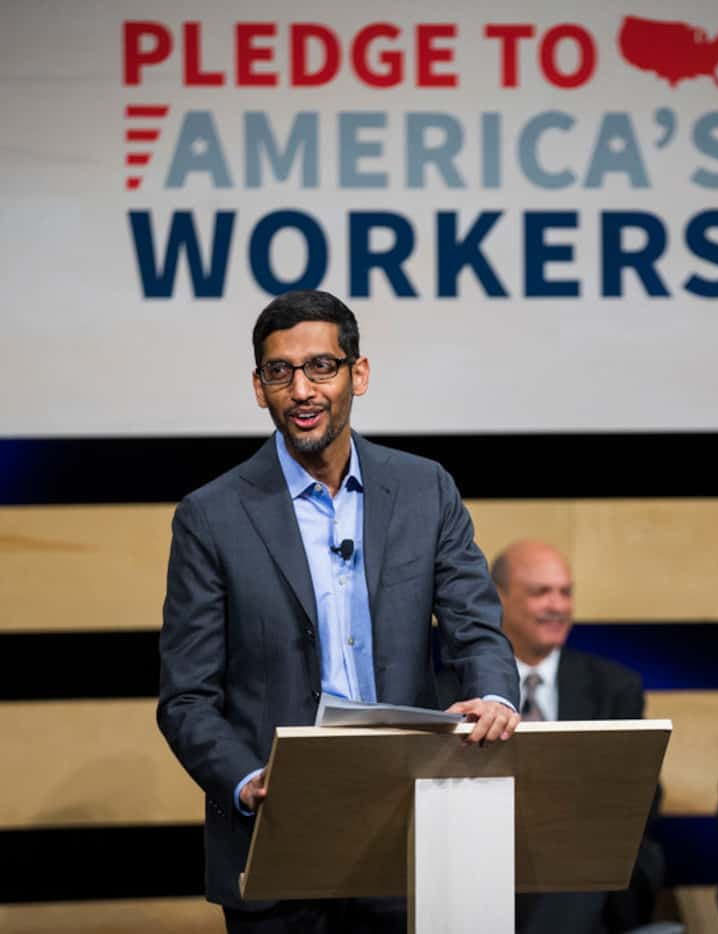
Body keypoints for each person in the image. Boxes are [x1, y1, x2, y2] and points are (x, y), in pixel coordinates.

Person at [157, 290, 520, 933]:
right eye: (280, 372)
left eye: (321, 367)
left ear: (359, 373)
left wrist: (493, 694)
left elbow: (475, 626)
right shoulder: (210, 517)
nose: (302, 389)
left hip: (412, 830)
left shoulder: (424, 488)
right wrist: (248, 782)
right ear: (258, 387)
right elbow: (186, 698)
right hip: (279, 839)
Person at [437, 539, 665, 934]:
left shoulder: (614, 686)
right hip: (479, 848)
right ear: (497, 598)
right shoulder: (448, 688)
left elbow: (643, 793)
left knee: (585, 853)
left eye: (565, 592)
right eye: (541, 593)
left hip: (584, 858)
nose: (557, 606)